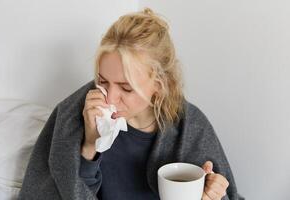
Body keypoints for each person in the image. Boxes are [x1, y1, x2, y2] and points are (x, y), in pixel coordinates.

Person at [19, 8, 243, 200]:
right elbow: (57, 191)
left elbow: (228, 194)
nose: (110, 98)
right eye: (102, 82)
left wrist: (214, 193)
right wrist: (89, 146)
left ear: (159, 85)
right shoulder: (73, 114)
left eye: (126, 88)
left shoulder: (191, 127)